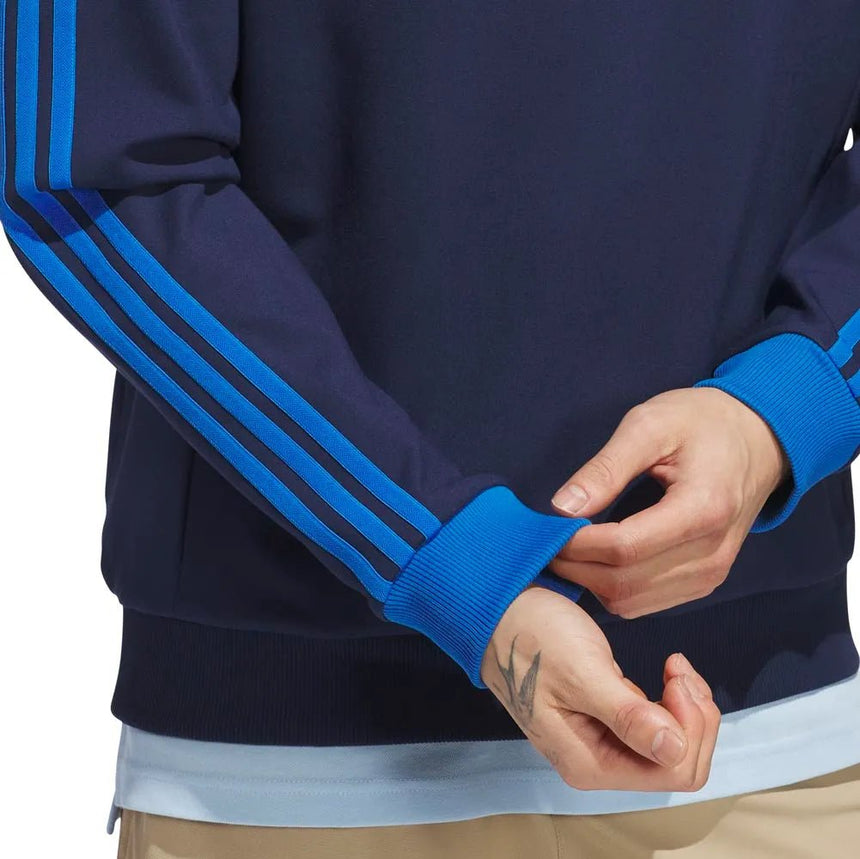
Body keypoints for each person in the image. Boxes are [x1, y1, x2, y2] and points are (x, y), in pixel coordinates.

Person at [3, 1, 860, 856]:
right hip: (301, 783)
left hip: (767, 746)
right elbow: (89, 168)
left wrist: (784, 410)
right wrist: (440, 558)